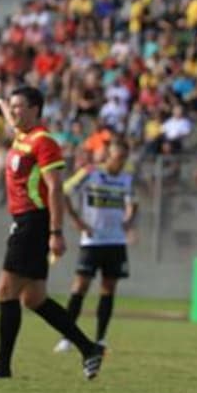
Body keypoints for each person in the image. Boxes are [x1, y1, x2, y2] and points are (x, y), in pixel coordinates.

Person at [0, 82, 104, 380]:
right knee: (33, 298)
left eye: (20, 106)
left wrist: (56, 232)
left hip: (33, 222)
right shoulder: (24, 135)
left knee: (6, 291)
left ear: (36, 110)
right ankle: (89, 349)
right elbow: (10, 118)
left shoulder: (43, 141)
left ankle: (2, 368)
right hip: (24, 222)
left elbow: (55, 187)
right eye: (14, 106)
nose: (15, 111)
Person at [54, 138, 137, 353]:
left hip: (116, 241)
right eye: (118, 158)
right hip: (92, 241)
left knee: (108, 288)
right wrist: (76, 221)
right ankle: (67, 337)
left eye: (124, 159)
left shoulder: (126, 179)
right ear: (108, 156)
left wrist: (129, 221)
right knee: (80, 286)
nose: (120, 162)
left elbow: (132, 203)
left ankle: (101, 338)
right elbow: (63, 191)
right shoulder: (91, 173)